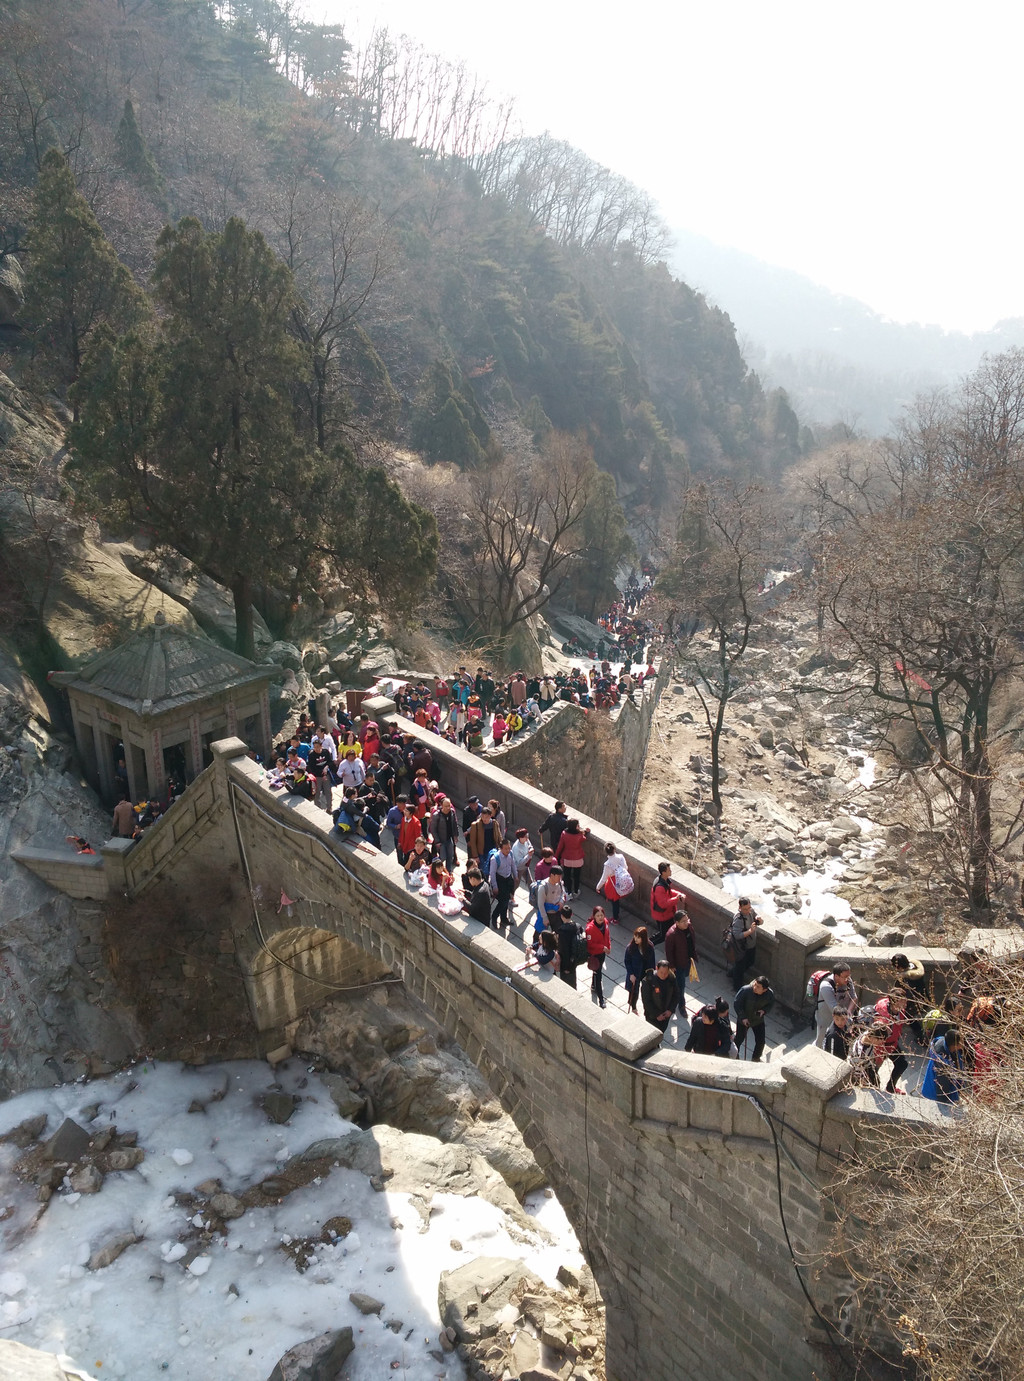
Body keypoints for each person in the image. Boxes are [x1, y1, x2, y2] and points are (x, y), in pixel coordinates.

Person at [874, 990, 910, 1094]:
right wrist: (880, 1055)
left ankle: (890, 1087)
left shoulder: (900, 1011)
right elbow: (878, 1036)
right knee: (875, 1068)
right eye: (903, 1002)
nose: (905, 1004)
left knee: (902, 1064)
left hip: (893, 1043)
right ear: (895, 1002)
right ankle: (874, 1088)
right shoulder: (883, 1015)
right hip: (881, 1045)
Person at [814, 964, 858, 1049]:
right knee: (821, 1040)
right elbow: (834, 1008)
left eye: (849, 976)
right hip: (826, 1017)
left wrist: (849, 1011)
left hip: (842, 1016)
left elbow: (854, 997)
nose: (848, 979)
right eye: (845, 976)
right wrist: (846, 1018)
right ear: (836, 976)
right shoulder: (826, 986)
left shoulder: (848, 980)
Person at [664, 911, 698, 1017]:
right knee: (681, 986)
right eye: (683, 921)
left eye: (687, 920)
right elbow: (669, 952)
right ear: (677, 923)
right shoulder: (671, 934)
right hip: (678, 965)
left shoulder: (689, 927)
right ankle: (682, 1006)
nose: (686, 923)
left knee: (682, 980)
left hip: (687, 961)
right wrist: (672, 966)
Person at [921, 1029, 968, 1104]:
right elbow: (942, 1083)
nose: (963, 1043)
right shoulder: (942, 1062)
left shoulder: (946, 1043)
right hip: (938, 1090)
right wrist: (945, 1100)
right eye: (961, 1041)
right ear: (955, 1045)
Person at [733, 975, 774, 1062]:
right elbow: (737, 1004)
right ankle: (734, 1056)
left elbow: (770, 1004)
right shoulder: (745, 990)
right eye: (755, 984)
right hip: (743, 1020)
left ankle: (755, 1058)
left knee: (761, 1042)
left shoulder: (769, 994)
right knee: (738, 1040)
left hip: (757, 1020)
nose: (755, 987)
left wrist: (764, 1011)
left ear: (764, 990)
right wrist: (743, 1017)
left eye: (758, 987)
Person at [623, 925, 657, 1013]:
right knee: (634, 991)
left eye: (638, 937)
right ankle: (633, 1006)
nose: (636, 939)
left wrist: (650, 973)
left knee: (646, 992)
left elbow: (651, 962)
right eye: (635, 936)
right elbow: (627, 961)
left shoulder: (649, 947)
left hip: (644, 972)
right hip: (634, 972)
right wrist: (631, 974)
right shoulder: (630, 947)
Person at [729, 898, 762, 989]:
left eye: (749, 908)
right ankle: (737, 986)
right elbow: (737, 935)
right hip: (742, 948)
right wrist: (750, 931)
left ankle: (732, 972)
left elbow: (758, 919)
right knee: (740, 966)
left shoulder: (751, 911)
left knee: (750, 962)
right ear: (740, 907)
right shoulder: (738, 919)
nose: (748, 911)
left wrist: (759, 919)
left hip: (751, 945)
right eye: (745, 909)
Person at [641, 959, 678, 1037]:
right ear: (656, 968)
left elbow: (676, 995)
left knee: (661, 1031)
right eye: (661, 972)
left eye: (666, 973)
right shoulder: (648, 981)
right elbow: (646, 1001)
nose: (663, 975)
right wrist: (657, 1014)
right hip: (652, 1016)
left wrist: (670, 1010)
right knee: (651, 1034)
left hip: (666, 1014)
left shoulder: (671, 979)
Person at [650, 862, 684, 943]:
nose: (671, 871)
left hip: (665, 914)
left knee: (664, 933)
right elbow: (663, 904)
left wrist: (678, 894)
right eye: (669, 870)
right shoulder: (660, 887)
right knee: (663, 936)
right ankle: (647, 946)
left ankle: (647, 943)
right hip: (663, 915)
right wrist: (676, 898)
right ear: (663, 872)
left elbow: (668, 892)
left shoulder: (662, 881)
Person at [585, 905, 612, 1008]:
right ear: (594, 916)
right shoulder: (590, 928)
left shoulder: (605, 923)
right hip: (595, 954)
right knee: (598, 974)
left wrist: (608, 946)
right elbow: (590, 944)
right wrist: (603, 947)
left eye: (602, 915)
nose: (600, 917)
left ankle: (593, 985)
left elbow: (607, 936)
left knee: (597, 971)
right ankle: (601, 998)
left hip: (603, 953)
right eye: (598, 915)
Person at [555, 819, 589, 899]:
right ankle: (576, 891)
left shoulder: (564, 834)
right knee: (577, 876)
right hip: (578, 859)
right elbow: (584, 838)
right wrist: (586, 832)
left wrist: (556, 856)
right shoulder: (579, 835)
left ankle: (569, 892)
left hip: (567, 858)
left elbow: (560, 846)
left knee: (567, 876)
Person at [596, 841, 631, 921]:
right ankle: (616, 917)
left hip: (613, 884)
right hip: (622, 880)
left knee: (615, 902)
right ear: (614, 849)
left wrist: (598, 887)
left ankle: (615, 918)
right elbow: (625, 868)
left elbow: (604, 878)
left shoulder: (607, 864)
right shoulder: (621, 857)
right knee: (616, 900)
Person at [850, 1021, 890, 1088]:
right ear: (873, 1037)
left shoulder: (868, 1033)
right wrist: (866, 1083)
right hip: (864, 1070)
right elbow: (858, 1073)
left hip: (869, 1064)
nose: (881, 1042)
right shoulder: (862, 1053)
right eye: (880, 1040)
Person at [489, 839, 518, 930]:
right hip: (500, 880)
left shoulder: (511, 854)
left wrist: (516, 875)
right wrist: (495, 886)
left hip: (508, 879)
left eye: (509, 848)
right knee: (503, 901)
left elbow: (512, 865)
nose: (508, 850)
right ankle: (494, 916)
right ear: (501, 849)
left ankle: (504, 918)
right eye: (506, 849)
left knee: (507, 899)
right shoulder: (495, 859)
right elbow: (492, 873)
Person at [429, 795, 460, 871]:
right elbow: (433, 829)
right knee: (442, 857)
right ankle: (433, 869)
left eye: (449, 806)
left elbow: (455, 824)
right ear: (442, 806)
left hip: (449, 839)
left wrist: (456, 835)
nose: (448, 808)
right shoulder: (437, 815)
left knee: (450, 856)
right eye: (446, 806)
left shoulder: (452, 812)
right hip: (441, 840)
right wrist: (437, 841)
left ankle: (448, 872)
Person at [555, 905, 581, 989]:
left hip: (566, 963)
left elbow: (564, 950)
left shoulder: (562, 931)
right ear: (571, 914)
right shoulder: (577, 927)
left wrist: (566, 967)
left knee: (566, 984)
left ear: (562, 916)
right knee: (573, 981)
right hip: (574, 960)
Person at [510, 827, 535, 893]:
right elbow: (520, 863)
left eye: (527, 836)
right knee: (516, 884)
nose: (527, 838)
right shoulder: (516, 848)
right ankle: (510, 897)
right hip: (518, 868)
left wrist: (530, 848)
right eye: (525, 836)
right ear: (520, 838)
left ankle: (533, 896)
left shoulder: (526, 840)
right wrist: (528, 855)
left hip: (526, 866)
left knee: (530, 882)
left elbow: (530, 845)